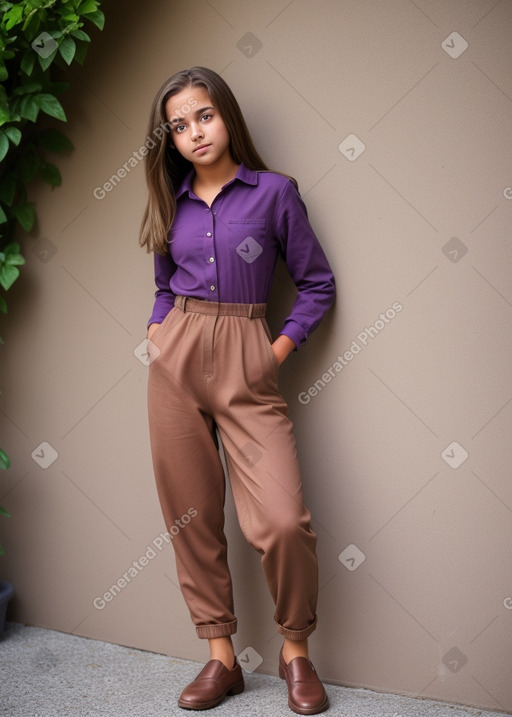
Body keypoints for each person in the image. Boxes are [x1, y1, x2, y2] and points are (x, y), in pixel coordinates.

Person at [139, 66, 335, 714]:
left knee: (282, 520)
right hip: (177, 362)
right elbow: (166, 286)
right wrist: (158, 334)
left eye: (204, 115)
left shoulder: (275, 193)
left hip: (248, 359)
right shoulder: (172, 200)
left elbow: (317, 285)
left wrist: (271, 355)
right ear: (168, 138)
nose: (194, 132)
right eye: (179, 125)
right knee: (191, 516)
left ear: (226, 117)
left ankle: (295, 650)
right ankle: (221, 658)